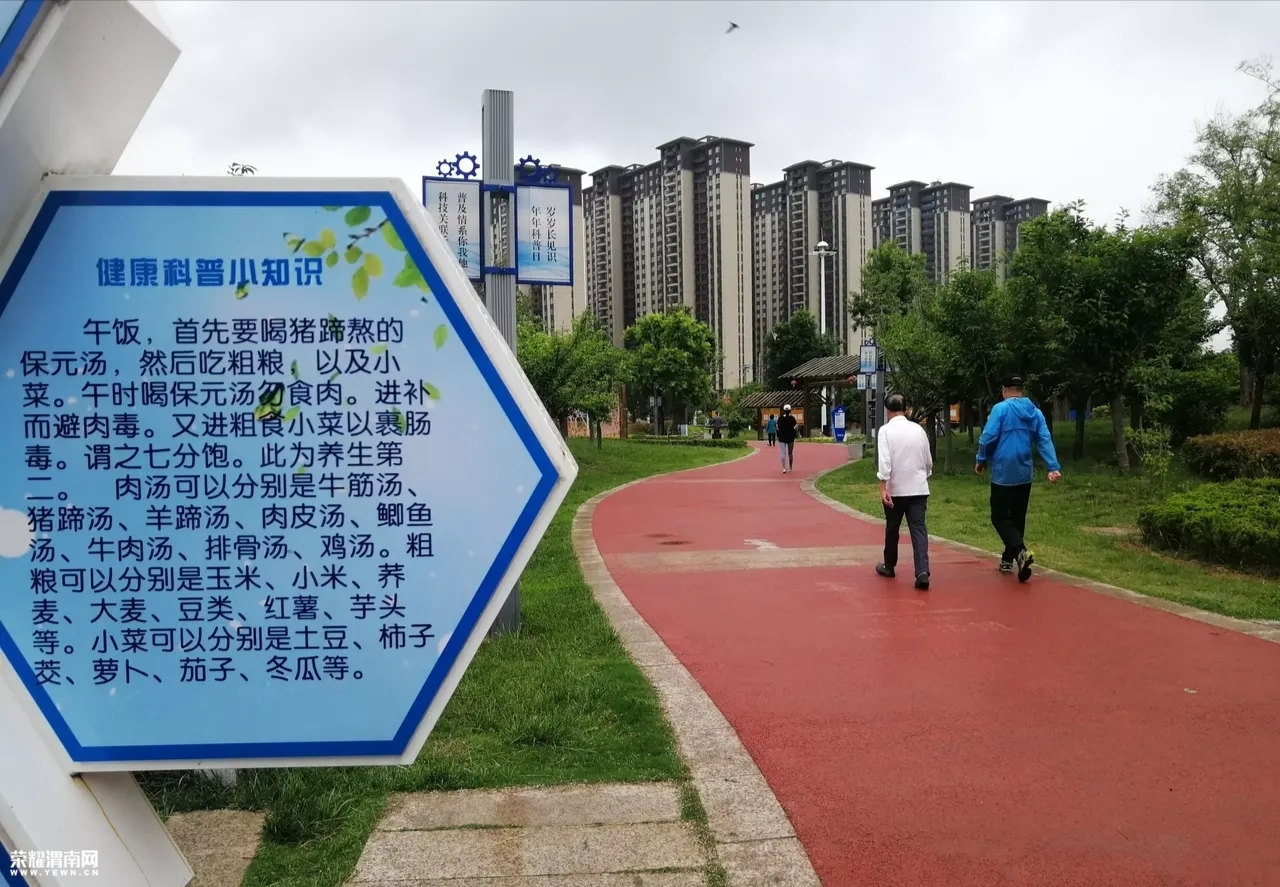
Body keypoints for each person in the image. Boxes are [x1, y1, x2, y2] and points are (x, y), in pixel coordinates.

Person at [975, 376, 1063, 583]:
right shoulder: (1035, 412)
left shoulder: (1000, 409)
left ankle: (1020, 552)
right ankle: (1010, 559)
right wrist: (1052, 466)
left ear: (1004, 390)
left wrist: (981, 459)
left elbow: (987, 437)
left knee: (999, 516)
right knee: (1017, 517)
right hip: (1024, 471)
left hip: (1003, 472)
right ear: (1021, 390)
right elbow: (1044, 439)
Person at [874, 394, 933, 590]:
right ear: (906, 410)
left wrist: (883, 485)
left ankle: (889, 565)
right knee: (919, 528)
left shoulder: (885, 431)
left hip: (896, 489)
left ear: (888, 411)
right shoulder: (919, 430)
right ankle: (922, 571)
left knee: (893, 527)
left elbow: (885, 461)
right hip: (918, 488)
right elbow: (927, 460)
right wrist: (924, 475)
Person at [776, 404, 798, 473]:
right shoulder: (792, 418)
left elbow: (777, 427)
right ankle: (790, 467)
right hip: (790, 437)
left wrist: (779, 434)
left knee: (783, 452)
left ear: (784, 411)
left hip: (782, 437)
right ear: (790, 410)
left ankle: (784, 468)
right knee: (790, 453)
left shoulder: (780, 418)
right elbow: (795, 427)